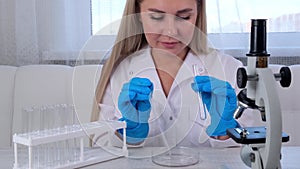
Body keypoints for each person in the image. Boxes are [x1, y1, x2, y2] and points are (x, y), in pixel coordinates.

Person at [91, 0, 254, 148]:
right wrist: (128, 136)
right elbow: (99, 146)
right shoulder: (120, 70)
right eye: (156, 17)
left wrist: (226, 133)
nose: (171, 31)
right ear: (138, 14)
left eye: (184, 17)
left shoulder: (229, 69)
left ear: (198, 14)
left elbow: (254, 153)